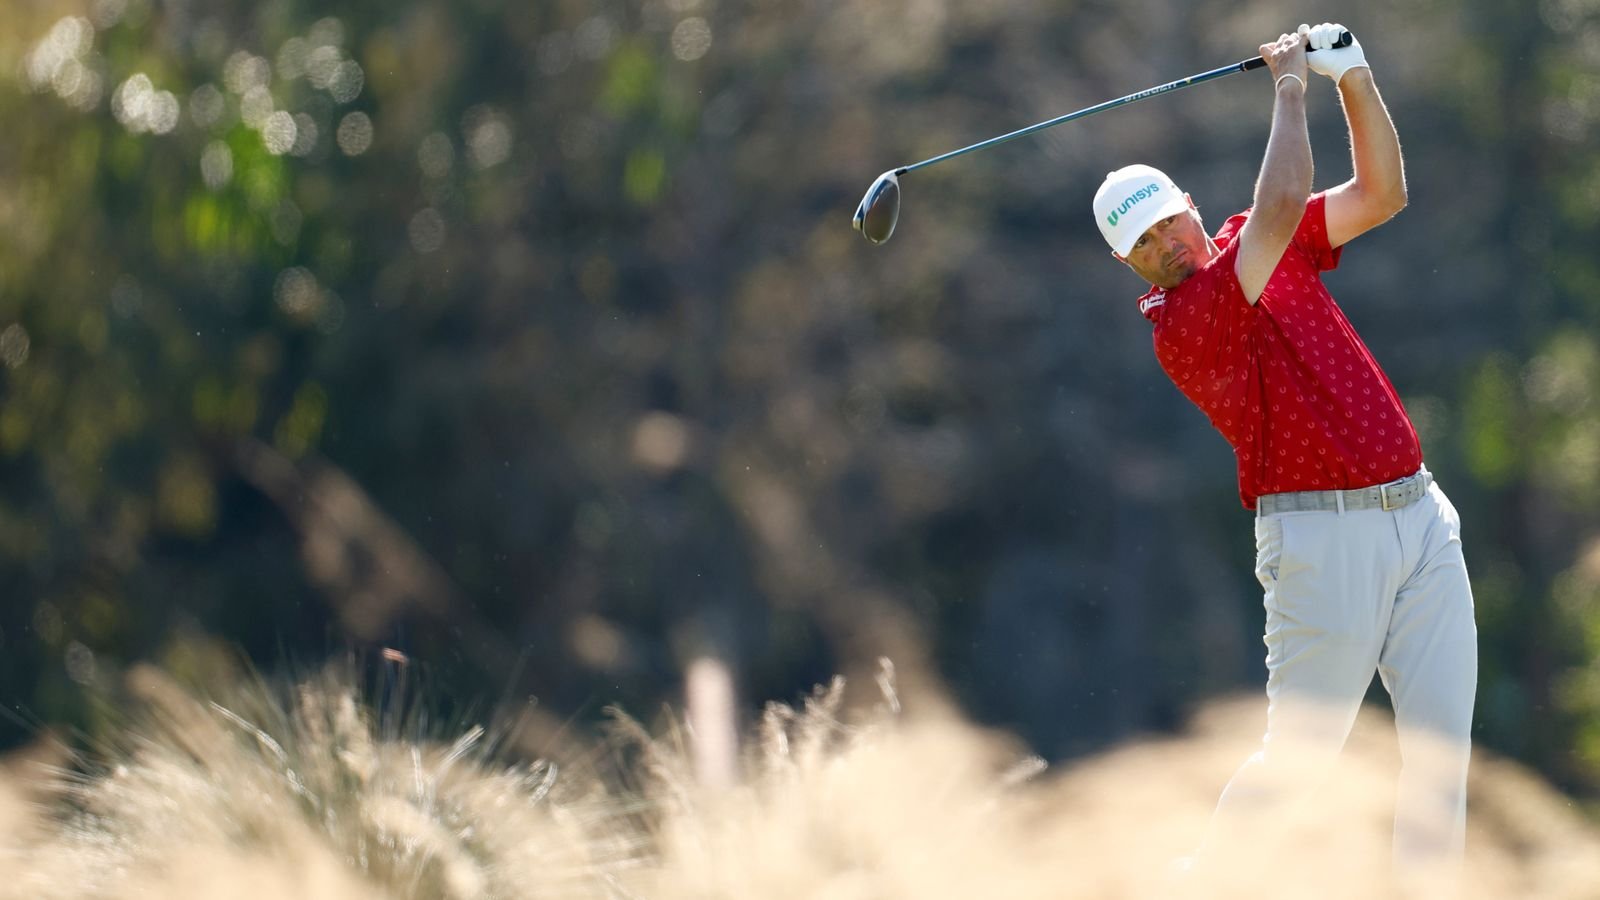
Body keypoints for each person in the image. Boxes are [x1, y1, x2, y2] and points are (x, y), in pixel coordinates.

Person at [1091, 23, 1478, 882]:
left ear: (1188, 205)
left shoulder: (1252, 240)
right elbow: (1276, 207)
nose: (1167, 247)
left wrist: (1352, 78)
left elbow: (1383, 195)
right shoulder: (1185, 323)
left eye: (1166, 224)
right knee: (1300, 763)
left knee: (1442, 762)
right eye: (1144, 248)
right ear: (1133, 269)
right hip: (1318, 543)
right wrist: (1292, 87)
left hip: (1419, 516)